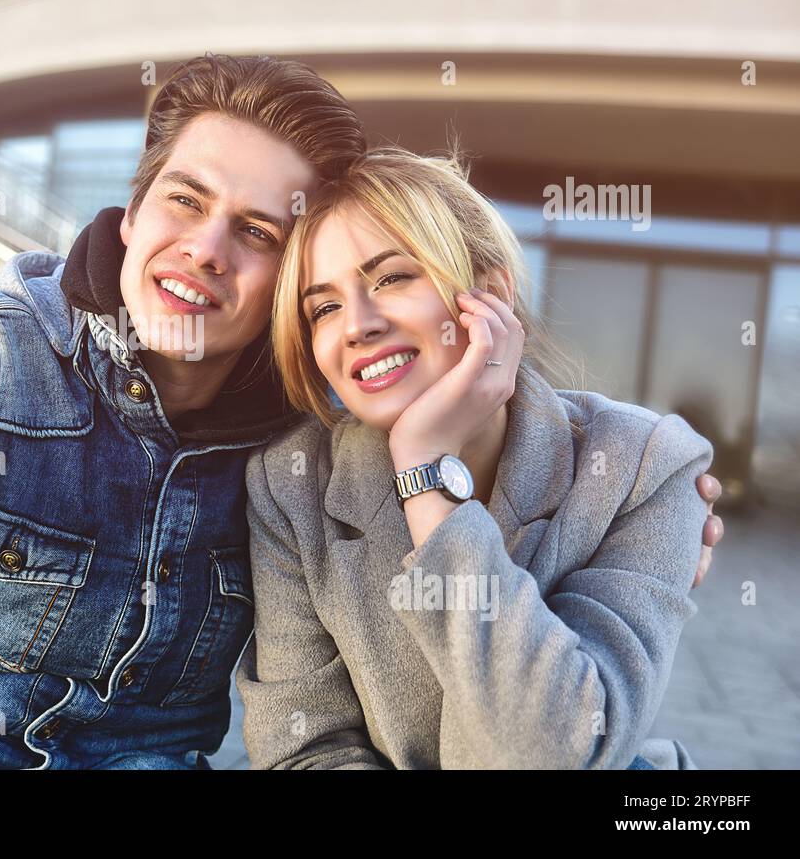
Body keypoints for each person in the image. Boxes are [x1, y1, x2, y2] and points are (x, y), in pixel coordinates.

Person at [0, 56, 723, 770]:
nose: (205, 250)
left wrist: (635, 500)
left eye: (257, 233)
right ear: (134, 207)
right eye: (186, 203)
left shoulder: (304, 445)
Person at [237, 148, 712, 769]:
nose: (356, 325)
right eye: (323, 307)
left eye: (391, 277)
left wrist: (427, 472)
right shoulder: (289, 485)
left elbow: (550, 753)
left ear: (488, 294)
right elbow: (302, 753)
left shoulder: (644, 466)